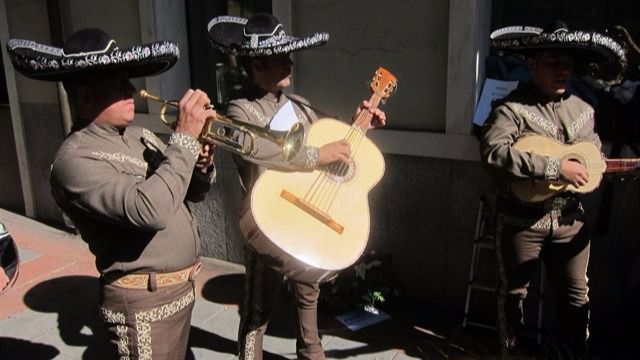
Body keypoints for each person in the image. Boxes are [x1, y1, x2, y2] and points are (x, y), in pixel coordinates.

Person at [7, 28, 217, 359]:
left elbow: (188, 192)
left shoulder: (140, 135)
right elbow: (152, 210)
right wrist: (185, 139)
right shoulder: (74, 161)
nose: (131, 89)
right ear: (86, 96)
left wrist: (200, 162)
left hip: (182, 292)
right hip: (143, 306)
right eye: (119, 84)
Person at [208, 14, 386, 360]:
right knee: (258, 308)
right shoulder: (240, 108)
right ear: (257, 63)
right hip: (269, 219)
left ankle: (311, 351)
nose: (289, 61)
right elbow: (261, 150)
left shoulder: (298, 103)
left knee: (309, 294)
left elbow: (326, 144)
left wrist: (358, 124)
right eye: (279, 56)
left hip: (306, 214)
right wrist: (319, 154)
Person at [480, 21, 626, 359]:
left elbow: (591, 156)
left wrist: (593, 172)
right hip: (521, 221)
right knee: (514, 296)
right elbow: (493, 153)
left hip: (569, 220)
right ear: (531, 65)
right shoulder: (512, 108)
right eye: (552, 62)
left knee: (576, 299)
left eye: (568, 63)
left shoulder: (584, 110)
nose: (563, 70)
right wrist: (554, 167)